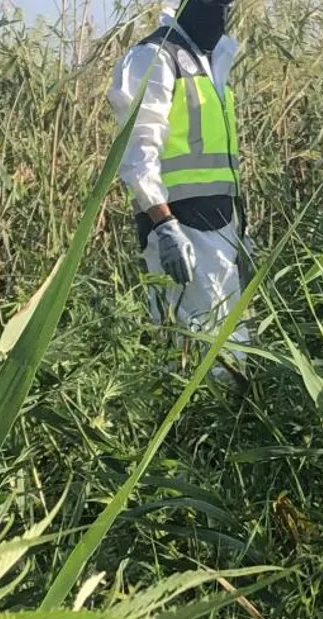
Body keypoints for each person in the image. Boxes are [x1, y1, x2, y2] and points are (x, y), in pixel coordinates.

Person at [108, 0, 250, 373]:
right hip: (179, 226)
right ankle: (189, 429)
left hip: (221, 225)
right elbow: (138, 154)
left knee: (230, 344)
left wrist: (240, 231)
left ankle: (232, 427)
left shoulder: (211, 59)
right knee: (193, 350)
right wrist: (164, 224)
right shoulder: (154, 56)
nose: (221, 11)